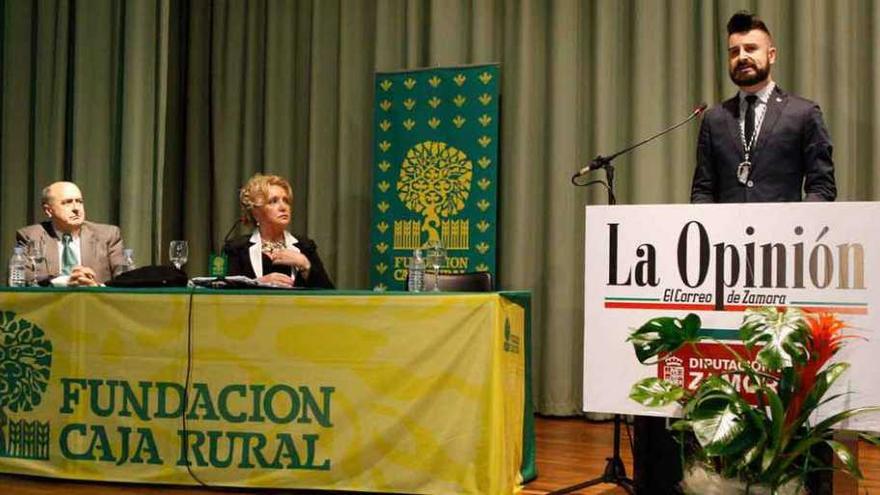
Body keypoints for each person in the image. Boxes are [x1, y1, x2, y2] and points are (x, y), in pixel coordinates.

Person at [690, 11, 836, 203]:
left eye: (750, 49)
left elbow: (822, 186)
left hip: (785, 230)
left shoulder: (804, 113)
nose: (741, 57)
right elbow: (703, 190)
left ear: (771, 55)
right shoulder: (714, 119)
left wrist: (800, 226)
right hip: (727, 232)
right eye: (734, 52)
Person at [223, 174, 334, 289]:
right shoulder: (236, 248)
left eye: (286, 201)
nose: (283, 207)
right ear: (256, 212)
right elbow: (223, 295)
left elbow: (329, 295)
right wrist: (257, 284)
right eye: (273, 201)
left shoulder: (305, 247)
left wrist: (305, 265)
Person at [15, 181, 126, 286]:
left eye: (79, 201)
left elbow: (124, 277)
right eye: (67, 203)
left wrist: (96, 286)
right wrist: (64, 281)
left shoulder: (108, 235)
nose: (76, 208)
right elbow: (22, 276)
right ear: (48, 210)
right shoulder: (30, 236)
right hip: (50, 303)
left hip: (96, 302)